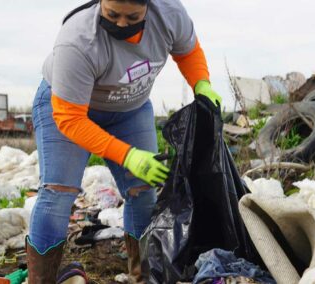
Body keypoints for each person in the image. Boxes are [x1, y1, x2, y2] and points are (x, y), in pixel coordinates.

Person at [27, 0, 222, 282]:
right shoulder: (78, 40)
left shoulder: (169, 14)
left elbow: (187, 50)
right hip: (70, 109)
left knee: (143, 191)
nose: (121, 23)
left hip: (130, 110)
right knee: (59, 193)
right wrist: (128, 156)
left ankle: (143, 276)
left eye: (132, 17)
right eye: (112, 14)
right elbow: (71, 120)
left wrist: (201, 83)